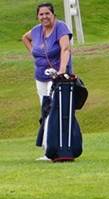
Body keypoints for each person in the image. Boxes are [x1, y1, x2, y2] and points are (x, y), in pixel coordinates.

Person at [22, 3, 73, 161]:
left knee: (53, 110)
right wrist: (35, 53)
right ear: (38, 16)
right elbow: (25, 37)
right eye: (41, 14)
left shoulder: (61, 28)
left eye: (47, 14)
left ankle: (52, 150)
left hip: (56, 77)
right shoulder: (36, 30)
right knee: (45, 111)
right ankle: (47, 148)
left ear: (53, 14)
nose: (44, 17)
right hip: (40, 76)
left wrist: (62, 71)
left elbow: (65, 49)